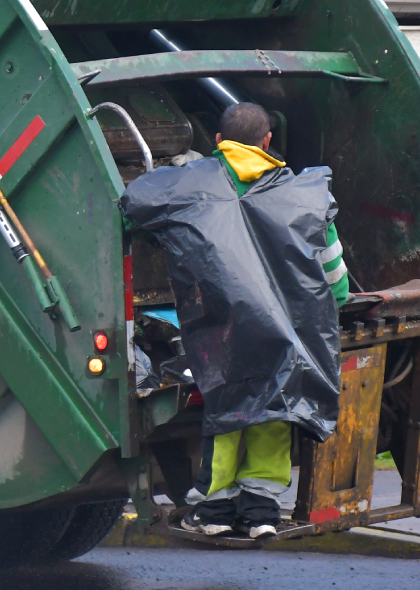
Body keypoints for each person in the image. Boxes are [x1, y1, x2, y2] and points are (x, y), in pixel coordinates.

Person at [119, 102, 347, 538]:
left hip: (221, 331)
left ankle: (215, 511)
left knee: (228, 410)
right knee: (276, 405)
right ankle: (262, 511)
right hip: (285, 331)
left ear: (218, 142)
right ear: (267, 143)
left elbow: (133, 205)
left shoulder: (189, 184)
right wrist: (337, 303)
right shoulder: (303, 192)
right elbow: (334, 277)